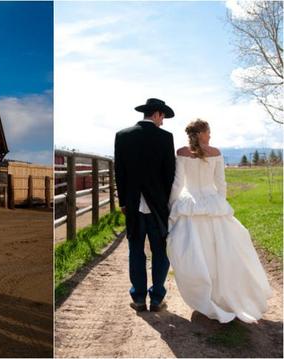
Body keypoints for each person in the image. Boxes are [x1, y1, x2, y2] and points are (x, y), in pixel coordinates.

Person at [167, 119, 272, 323]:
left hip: (190, 206)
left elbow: (178, 183)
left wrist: (172, 206)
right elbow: (220, 184)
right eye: (209, 131)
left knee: (196, 253)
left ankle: (205, 296)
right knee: (220, 252)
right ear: (202, 133)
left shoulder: (181, 152)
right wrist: (220, 205)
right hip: (212, 204)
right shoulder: (216, 152)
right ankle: (220, 295)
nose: (211, 135)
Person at [114, 98, 176, 312]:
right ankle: (157, 297)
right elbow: (170, 174)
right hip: (158, 206)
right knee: (161, 251)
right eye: (163, 117)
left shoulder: (122, 136)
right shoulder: (165, 138)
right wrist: (169, 202)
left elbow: (119, 172)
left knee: (136, 250)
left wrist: (122, 200)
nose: (163, 122)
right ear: (157, 114)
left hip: (132, 203)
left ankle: (139, 297)